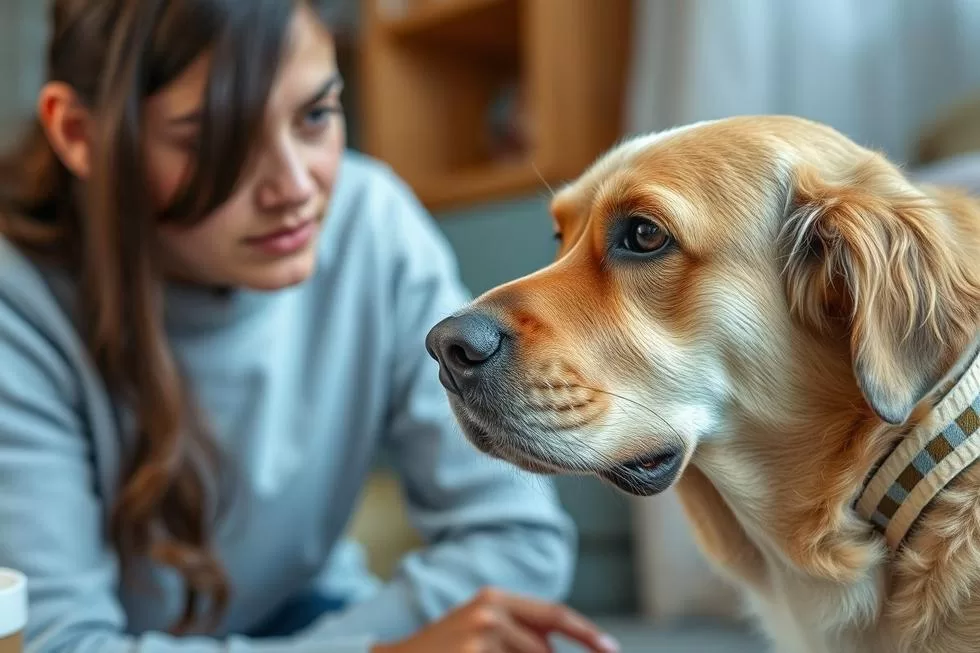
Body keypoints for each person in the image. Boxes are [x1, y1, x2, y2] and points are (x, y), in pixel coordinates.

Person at [0, 1, 622, 652]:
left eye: (316, 115)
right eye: (219, 141)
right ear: (78, 134)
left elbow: (520, 538)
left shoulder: (368, 221)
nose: (296, 187)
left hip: (318, 615)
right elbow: (60, 642)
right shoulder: (20, 303)